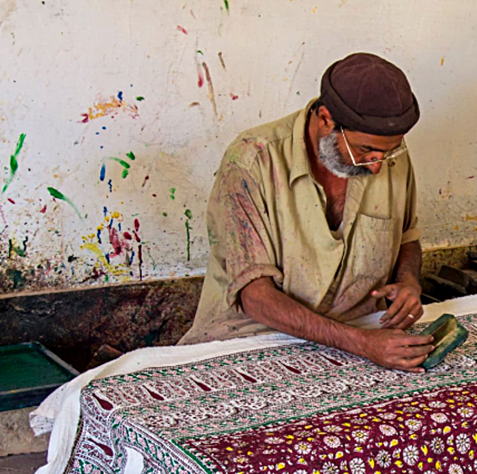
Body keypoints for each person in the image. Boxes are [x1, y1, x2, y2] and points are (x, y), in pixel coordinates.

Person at [178, 53, 434, 372]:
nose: (379, 164)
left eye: (389, 150)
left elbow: (406, 237)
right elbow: (255, 296)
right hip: (253, 340)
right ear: (325, 119)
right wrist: (361, 344)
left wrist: (409, 282)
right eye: (366, 150)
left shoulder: (387, 155)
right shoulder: (250, 162)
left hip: (361, 331)